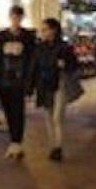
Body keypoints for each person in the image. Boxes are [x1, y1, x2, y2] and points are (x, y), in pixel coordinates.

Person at [0, 5, 35, 159]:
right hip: (4, 80)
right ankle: (13, 141)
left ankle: (17, 142)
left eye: (19, 17)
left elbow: (32, 60)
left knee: (18, 111)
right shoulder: (1, 37)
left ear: (22, 18)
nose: (16, 20)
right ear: (10, 17)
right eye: (14, 17)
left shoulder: (28, 37)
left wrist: (30, 84)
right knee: (8, 110)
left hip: (19, 81)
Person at [32, 17, 80, 162]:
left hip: (59, 84)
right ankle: (53, 145)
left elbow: (74, 65)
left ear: (53, 30)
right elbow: (34, 67)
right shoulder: (39, 48)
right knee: (48, 117)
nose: (42, 32)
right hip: (44, 85)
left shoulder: (64, 47)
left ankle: (58, 147)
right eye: (42, 30)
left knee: (57, 117)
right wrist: (30, 87)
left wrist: (65, 64)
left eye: (45, 29)